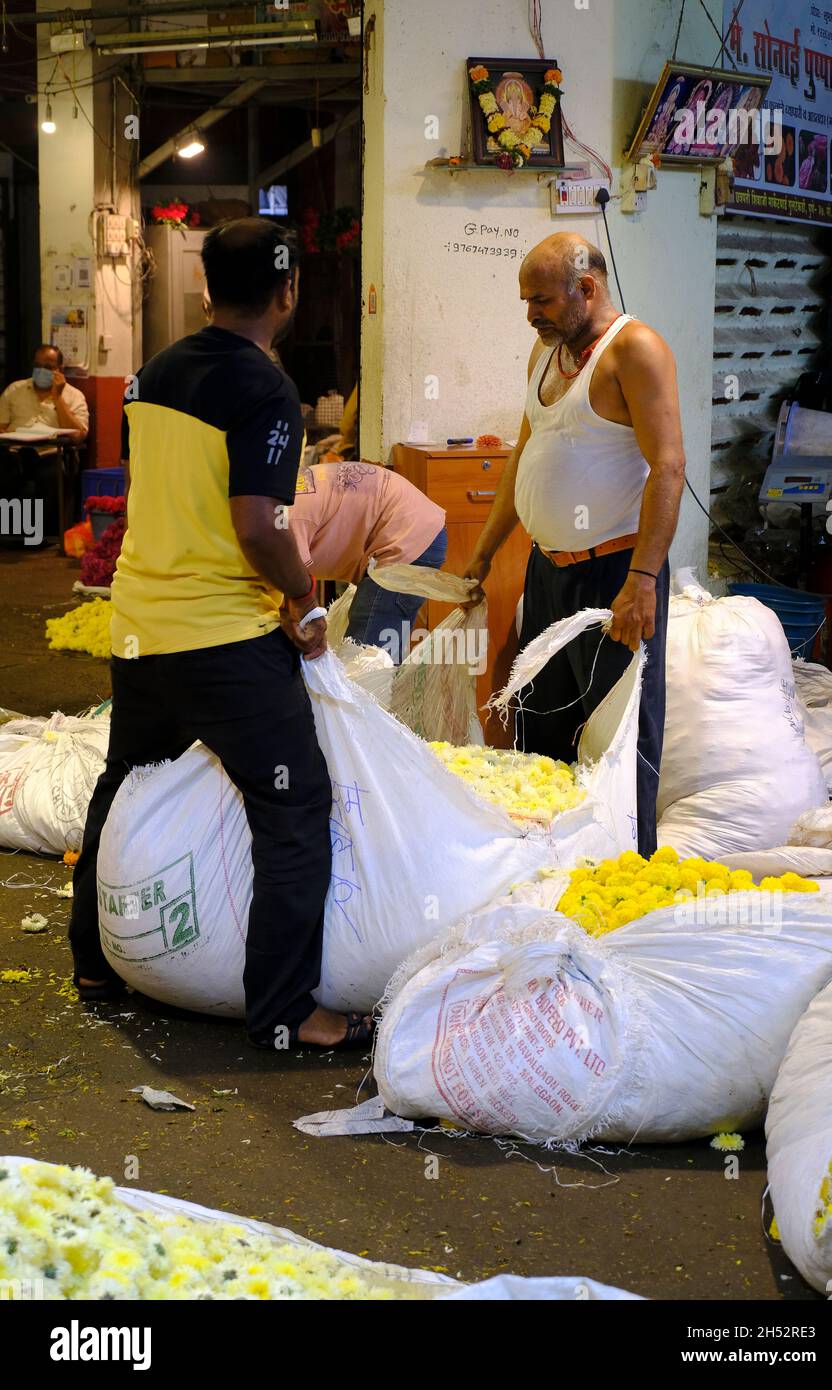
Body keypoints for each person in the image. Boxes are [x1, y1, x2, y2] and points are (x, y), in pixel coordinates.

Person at [68, 216, 372, 1053]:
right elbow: (259, 522)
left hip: (141, 627)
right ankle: (286, 1011)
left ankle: (93, 961)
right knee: (294, 803)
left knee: (126, 783)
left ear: (206, 289)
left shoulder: (155, 372)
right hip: (222, 640)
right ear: (289, 291)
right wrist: (305, 597)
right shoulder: (266, 388)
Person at [463, 232, 685, 856]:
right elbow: (522, 458)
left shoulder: (635, 351)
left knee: (616, 740)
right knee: (541, 726)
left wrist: (642, 581)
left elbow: (668, 468)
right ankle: (551, 865)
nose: (531, 313)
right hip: (548, 572)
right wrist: (481, 555)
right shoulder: (545, 350)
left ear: (586, 288)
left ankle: (626, 872)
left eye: (541, 300)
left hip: (615, 578)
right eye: (526, 301)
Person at [289, 459, 446, 660]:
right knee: (372, 647)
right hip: (410, 524)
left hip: (409, 534)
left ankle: (373, 691)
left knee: (366, 655)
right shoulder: (276, 497)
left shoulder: (285, 518)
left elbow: (292, 582)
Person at [0, 344, 89, 442]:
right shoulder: (14, 389)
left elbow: (78, 436)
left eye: (48, 367)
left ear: (60, 369)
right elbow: (1, 426)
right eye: (37, 366)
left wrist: (58, 397)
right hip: (14, 451)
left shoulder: (75, 396)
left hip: (51, 452)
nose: (42, 371)